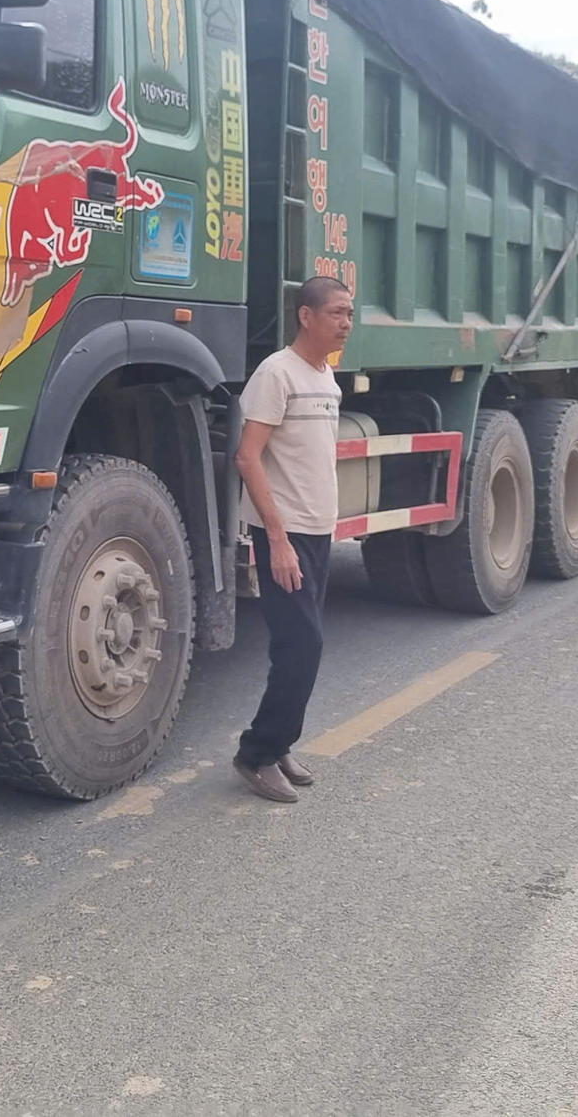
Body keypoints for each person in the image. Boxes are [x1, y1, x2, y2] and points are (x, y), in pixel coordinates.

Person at [230, 274, 354, 804]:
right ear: (306, 316)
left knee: (294, 648)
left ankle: (278, 744)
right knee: (305, 644)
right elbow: (246, 455)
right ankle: (256, 753)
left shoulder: (326, 379)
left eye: (350, 314)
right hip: (285, 532)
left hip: (318, 529)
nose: (346, 323)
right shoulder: (275, 374)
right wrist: (276, 540)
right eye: (336, 313)